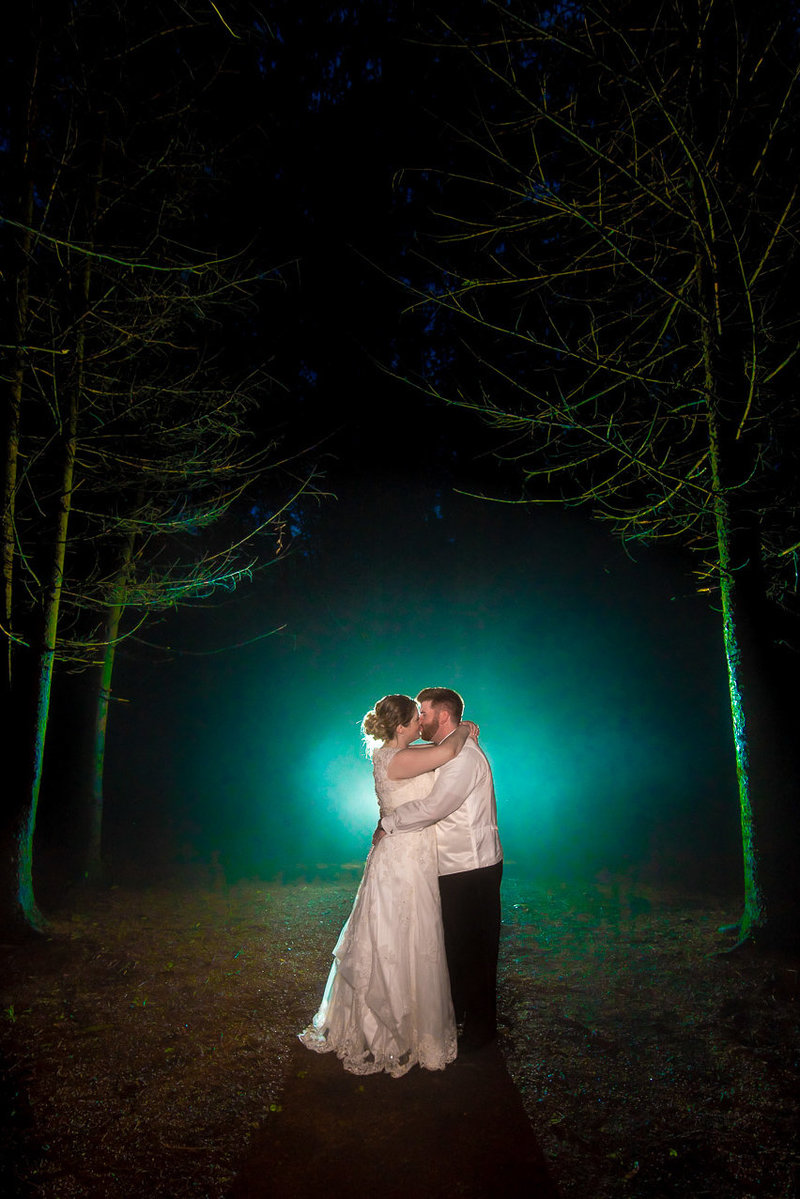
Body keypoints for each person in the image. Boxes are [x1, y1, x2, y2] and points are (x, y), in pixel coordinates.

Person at [299, 693, 477, 1077]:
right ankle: (388, 1032)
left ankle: (407, 1026)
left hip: (410, 854)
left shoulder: (394, 756)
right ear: (401, 727)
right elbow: (446, 755)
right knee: (396, 939)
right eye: (416, 719)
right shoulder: (396, 758)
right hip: (402, 861)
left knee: (411, 938)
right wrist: (463, 728)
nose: (421, 724)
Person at [376, 687, 502, 1051]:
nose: (420, 719)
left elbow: (437, 806)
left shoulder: (463, 758)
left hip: (471, 866)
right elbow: (408, 754)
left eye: (425, 714)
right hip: (450, 865)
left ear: (442, 716)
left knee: (475, 950)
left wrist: (390, 822)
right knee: (455, 947)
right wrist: (464, 729)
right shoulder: (446, 750)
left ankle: (480, 1032)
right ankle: (459, 1016)